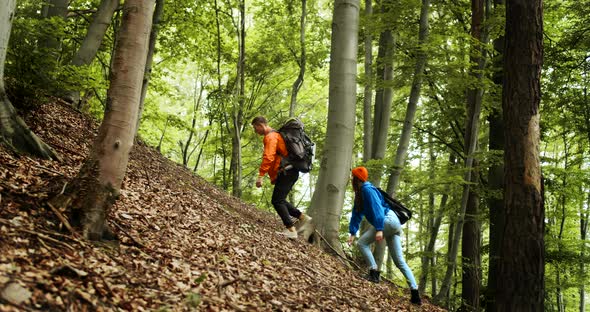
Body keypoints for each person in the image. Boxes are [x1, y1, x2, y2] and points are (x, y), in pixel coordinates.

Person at [347, 166, 421, 305]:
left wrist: (380, 228)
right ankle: (415, 293)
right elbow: (356, 214)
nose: (351, 179)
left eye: (352, 177)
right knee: (399, 261)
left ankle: (374, 273)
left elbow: (377, 208)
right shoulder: (361, 193)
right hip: (394, 224)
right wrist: (352, 232)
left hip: (388, 220)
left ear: (356, 179)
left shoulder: (368, 190)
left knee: (362, 243)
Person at [252, 116, 311, 239]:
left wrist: (261, 175)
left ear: (260, 125)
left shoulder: (271, 137)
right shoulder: (276, 135)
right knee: (280, 200)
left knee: (277, 200)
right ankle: (302, 217)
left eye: (255, 127)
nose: (255, 131)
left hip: (287, 172)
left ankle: (291, 230)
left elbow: (269, 157)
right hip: (289, 172)